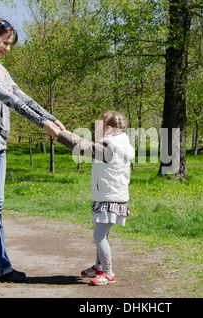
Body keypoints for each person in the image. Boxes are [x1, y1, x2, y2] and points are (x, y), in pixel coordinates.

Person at [0, 18, 65, 283]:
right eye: (4, 42)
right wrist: (42, 124)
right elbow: (5, 97)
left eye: (10, 44)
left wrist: (51, 118)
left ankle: (3, 265)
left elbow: (22, 97)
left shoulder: (1, 68)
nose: (7, 48)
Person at [48, 110, 135, 286]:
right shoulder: (118, 145)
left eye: (98, 126)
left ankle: (108, 273)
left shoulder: (109, 148)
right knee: (102, 233)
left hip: (110, 198)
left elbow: (83, 146)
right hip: (111, 196)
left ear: (108, 128)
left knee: (99, 235)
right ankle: (98, 266)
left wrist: (60, 134)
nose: (95, 130)